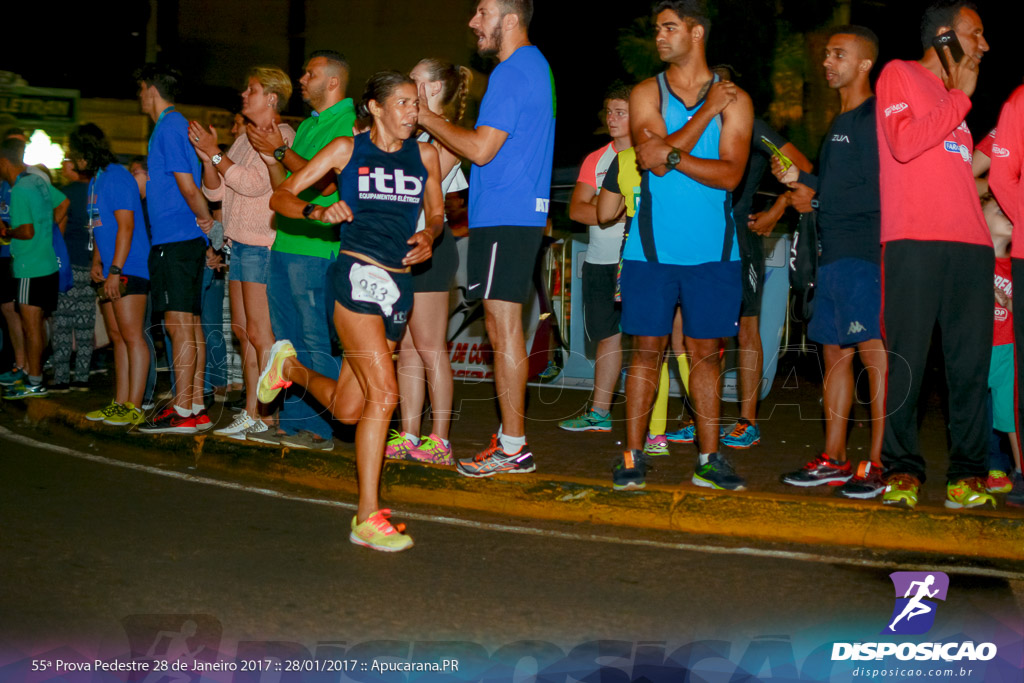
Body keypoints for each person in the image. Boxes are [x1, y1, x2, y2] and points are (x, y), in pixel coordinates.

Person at [263, 71, 444, 551]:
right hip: (356, 277)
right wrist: (318, 212)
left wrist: (428, 237)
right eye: (404, 103)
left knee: (348, 411)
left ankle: (289, 367)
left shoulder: (426, 155)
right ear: (376, 107)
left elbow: (438, 216)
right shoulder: (347, 149)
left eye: (417, 103)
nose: (413, 112)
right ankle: (367, 516)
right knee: (385, 394)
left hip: (399, 290)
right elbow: (280, 196)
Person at [616, 0, 753, 491]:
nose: (659, 36)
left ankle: (709, 458)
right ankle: (632, 456)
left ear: (696, 33)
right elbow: (647, 159)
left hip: (715, 252)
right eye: (657, 28)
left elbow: (731, 174)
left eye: (669, 28)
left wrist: (673, 152)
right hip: (650, 251)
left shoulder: (735, 99)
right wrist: (704, 117)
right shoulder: (644, 92)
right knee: (644, 354)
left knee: (705, 356)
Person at [416, 0, 555, 476]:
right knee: (500, 329)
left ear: (509, 19)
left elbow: (480, 148)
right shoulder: (532, 68)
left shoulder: (512, 72)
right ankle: (512, 436)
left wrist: (424, 116)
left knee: (503, 329)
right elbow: (486, 147)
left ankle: (514, 445)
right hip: (513, 215)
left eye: (481, 12)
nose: (473, 22)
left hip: (507, 216)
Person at [875, 1, 995, 510]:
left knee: (970, 368)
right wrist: (960, 100)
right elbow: (904, 145)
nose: (985, 45)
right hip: (915, 242)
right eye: (976, 33)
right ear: (945, 36)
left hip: (972, 245)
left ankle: (967, 474)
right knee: (909, 362)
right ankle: (902, 469)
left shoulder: (953, 101)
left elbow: (956, 175)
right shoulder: (899, 75)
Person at [775, 26, 888, 500]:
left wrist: (812, 192)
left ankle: (880, 462)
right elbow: (840, 184)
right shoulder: (840, 121)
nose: (827, 61)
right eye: (826, 54)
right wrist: (804, 182)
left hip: (864, 252)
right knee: (833, 354)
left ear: (865, 64)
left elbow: (879, 190)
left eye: (839, 55)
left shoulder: (871, 118)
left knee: (874, 355)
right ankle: (835, 458)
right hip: (834, 255)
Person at [246, 49, 357, 451]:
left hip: (316, 248)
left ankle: (320, 427)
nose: (302, 79)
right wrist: (271, 152)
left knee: (312, 338)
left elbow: (326, 186)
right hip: (288, 242)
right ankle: (294, 420)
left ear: (332, 82)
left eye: (310, 74)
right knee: (286, 341)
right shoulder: (311, 124)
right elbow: (287, 183)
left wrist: (279, 150)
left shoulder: (345, 123)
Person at [189, 66, 296, 441]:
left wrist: (217, 155)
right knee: (244, 333)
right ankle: (252, 410)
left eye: (251, 90)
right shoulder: (245, 139)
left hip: (261, 244)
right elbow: (217, 193)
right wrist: (207, 157)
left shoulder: (281, 135)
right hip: (239, 244)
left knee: (261, 334)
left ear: (271, 97)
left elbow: (253, 185)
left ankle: (266, 415)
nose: (243, 95)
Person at [385, 58, 471, 464]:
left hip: (432, 247)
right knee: (407, 346)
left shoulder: (448, 139)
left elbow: (418, 189)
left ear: (435, 88)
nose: (407, 83)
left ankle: (440, 438)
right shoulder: (410, 133)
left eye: (415, 79)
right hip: (403, 247)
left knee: (431, 345)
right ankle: (409, 433)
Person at [134, 64, 215, 434]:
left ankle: (182, 410)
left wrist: (208, 223)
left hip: (175, 238)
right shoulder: (173, 126)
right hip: (183, 239)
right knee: (190, 322)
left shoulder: (168, 126)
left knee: (177, 324)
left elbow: (187, 185)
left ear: (150, 89)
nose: (139, 97)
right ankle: (195, 404)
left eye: (139, 90)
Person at [66, 124, 152, 426]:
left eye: (73, 153)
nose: (69, 158)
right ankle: (119, 402)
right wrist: (97, 262)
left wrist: (115, 269)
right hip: (111, 267)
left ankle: (135, 406)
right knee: (117, 337)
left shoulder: (116, 177)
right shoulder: (97, 181)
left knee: (131, 336)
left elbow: (126, 227)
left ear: (86, 152)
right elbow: (103, 228)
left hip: (130, 266)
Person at [558, 85, 631, 436]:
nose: (612, 118)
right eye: (609, 111)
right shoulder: (596, 159)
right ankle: (600, 413)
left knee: (654, 340)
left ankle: (660, 424)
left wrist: (602, 209)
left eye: (621, 112)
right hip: (601, 260)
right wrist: (614, 214)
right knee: (607, 337)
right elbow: (576, 209)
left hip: (639, 260)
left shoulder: (649, 156)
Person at [0, 138, 65, 399]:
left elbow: (25, 232)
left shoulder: (18, 190)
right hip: (47, 262)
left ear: (5, 162)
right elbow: (63, 203)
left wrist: (7, 231)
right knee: (36, 324)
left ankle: (34, 382)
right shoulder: (37, 181)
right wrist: (47, 232)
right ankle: (34, 378)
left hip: (29, 266)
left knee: (31, 327)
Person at [988, 83, 1024, 505]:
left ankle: (1014, 467)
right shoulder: (980, 265)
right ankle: (990, 465)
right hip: (985, 348)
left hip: (1008, 347)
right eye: (997, 209)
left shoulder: (1010, 266)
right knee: (984, 413)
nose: (1006, 212)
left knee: (1009, 414)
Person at [50, 156, 96, 392]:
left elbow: (58, 227)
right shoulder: (95, 191)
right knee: (85, 323)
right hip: (90, 265)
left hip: (66, 265)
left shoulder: (63, 194)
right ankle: (81, 377)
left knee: (63, 324)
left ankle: (61, 378)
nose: (61, 165)